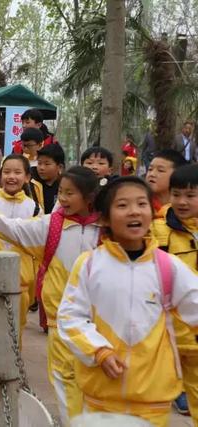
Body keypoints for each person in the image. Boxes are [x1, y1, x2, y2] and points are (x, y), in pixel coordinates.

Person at [0, 166, 102, 424]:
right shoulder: (51, 226)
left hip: (101, 325)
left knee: (96, 383)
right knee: (64, 379)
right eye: (60, 192)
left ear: (90, 197)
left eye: (71, 193)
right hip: (62, 322)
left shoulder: (107, 229)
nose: (63, 199)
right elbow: (14, 229)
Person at [58, 176, 198, 426]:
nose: (134, 211)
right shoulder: (90, 265)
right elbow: (70, 317)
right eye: (122, 205)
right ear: (104, 218)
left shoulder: (168, 267)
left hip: (153, 402)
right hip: (100, 399)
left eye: (142, 204)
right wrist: (99, 351)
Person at [0, 154, 42, 350]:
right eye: (7, 172)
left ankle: (12, 361)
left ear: (27, 177)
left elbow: (39, 242)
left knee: (16, 323)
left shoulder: (35, 208)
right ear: (0, 175)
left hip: (21, 279)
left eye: (18, 172)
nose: (12, 176)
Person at [152, 163, 198, 419]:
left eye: (190, 195)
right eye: (176, 194)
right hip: (168, 334)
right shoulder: (158, 230)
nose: (182, 201)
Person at [146, 149, 188, 219]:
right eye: (150, 169)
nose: (152, 174)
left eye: (160, 170)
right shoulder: (142, 206)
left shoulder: (188, 209)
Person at [33, 143, 65, 215]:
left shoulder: (66, 185)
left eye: (47, 164)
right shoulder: (31, 183)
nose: (41, 168)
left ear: (60, 167)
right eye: (39, 163)